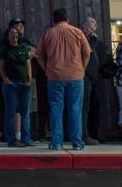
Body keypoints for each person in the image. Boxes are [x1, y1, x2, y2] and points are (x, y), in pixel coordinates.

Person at [36, 8, 91, 151]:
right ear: (67, 19)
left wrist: (46, 69)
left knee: (56, 109)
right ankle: (77, 142)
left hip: (54, 76)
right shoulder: (77, 32)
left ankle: (56, 143)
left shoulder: (48, 33)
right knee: (75, 109)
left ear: (54, 20)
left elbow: (39, 55)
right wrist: (82, 69)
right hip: (76, 76)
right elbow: (87, 53)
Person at [0, 27, 33, 147]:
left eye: (16, 33)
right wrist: (5, 79)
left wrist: (29, 79)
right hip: (11, 85)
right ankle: (11, 139)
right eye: (12, 33)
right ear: (8, 36)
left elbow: (28, 64)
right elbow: (0, 66)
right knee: (10, 112)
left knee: (25, 113)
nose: (14, 35)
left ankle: (26, 139)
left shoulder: (24, 48)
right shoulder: (4, 50)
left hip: (24, 84)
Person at [81, 16, 105, 145]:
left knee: (95, 107)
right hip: (84, 78)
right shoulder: (81, 40)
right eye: (87, 26)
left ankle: (95, 133)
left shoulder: (98, 43)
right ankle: (84, 134)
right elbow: (87, 53)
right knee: (84, 107)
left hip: (96, 80)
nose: (89, 30)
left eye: (92, 27)